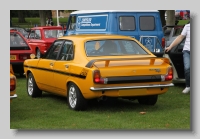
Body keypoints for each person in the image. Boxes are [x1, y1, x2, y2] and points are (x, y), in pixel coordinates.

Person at [165, 23, 190, 94]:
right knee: (187, 68)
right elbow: (180, 37)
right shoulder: (187, 26)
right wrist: (170, 47)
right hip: (187, 51)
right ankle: (188, 86)